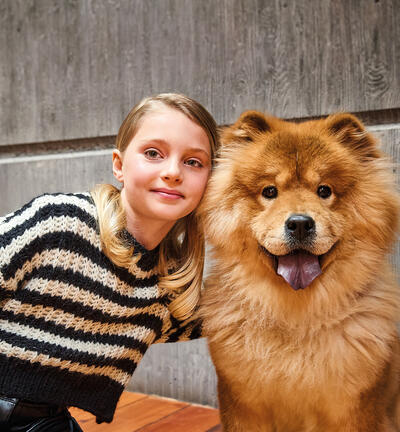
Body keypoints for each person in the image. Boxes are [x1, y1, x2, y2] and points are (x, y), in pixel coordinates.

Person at [0, 93, 219, 431]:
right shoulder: (61, 222)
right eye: (153, 154)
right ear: (119, 165)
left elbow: (229, 318)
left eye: (194, 162)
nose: (173, 172)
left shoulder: (169, 281)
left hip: (43, 421)